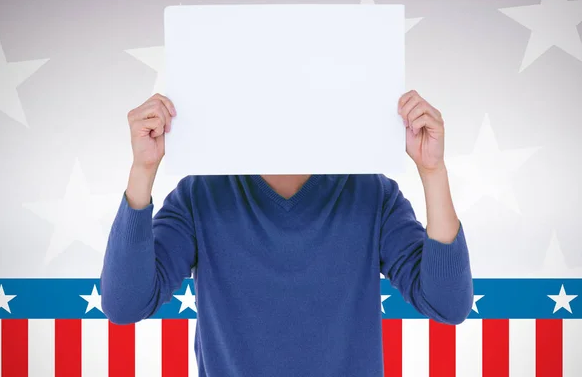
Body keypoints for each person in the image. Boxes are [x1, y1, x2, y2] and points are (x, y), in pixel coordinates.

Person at [100, 90, 473, 376]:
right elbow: (124, 303)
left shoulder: (371, 193)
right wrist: (143, 169)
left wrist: (432, 170)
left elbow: (448, 304)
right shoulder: (201, 194)